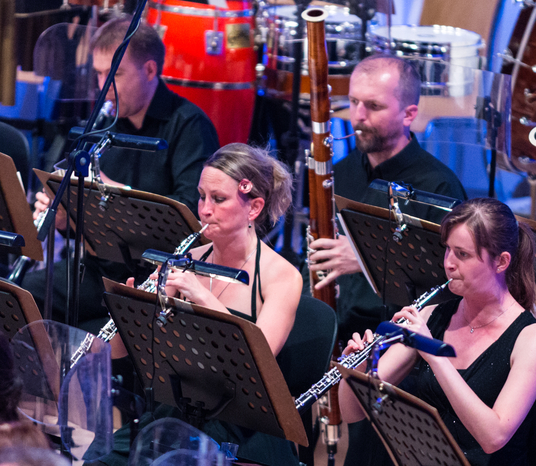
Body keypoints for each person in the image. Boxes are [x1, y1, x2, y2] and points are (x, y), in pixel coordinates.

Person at [96, 143, 303, 466]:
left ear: (254, 207)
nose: (204, 210)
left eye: (218, 199)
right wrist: (131, 314)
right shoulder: (185, 260)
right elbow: (117, 353)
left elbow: (258, 361)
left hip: (239, 427)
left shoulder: (282, 277)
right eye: (202, 197)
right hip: (177, 412)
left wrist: (201, 295)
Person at [23, 16, 220, 333]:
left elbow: (194, 218)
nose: (104, 87)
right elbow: (94, 227)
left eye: (115, 74)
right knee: (20, 297)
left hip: (157, 280)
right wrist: (66, 218)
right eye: (99, 74)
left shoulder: (189, 125)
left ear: (150, 71)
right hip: (100, 269)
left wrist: (115, 192)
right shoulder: (102, 125)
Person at [338, 198, 536, 466]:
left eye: (462, 254)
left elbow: (493, 437)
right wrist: (359, 371)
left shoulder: (533, 338)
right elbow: (353, 413)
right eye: (447, 249)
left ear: (501, 262)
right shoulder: (432, 316)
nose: (449, 263)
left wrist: (434, 354)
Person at [308, 54, 467, 345]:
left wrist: (366, 258)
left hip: (401, 341)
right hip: (339, 332)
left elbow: (450, 282)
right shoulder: (341, 172)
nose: (358, 116)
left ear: (409, 114)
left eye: (374, 106)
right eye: (354, 101)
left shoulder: (439, 186)